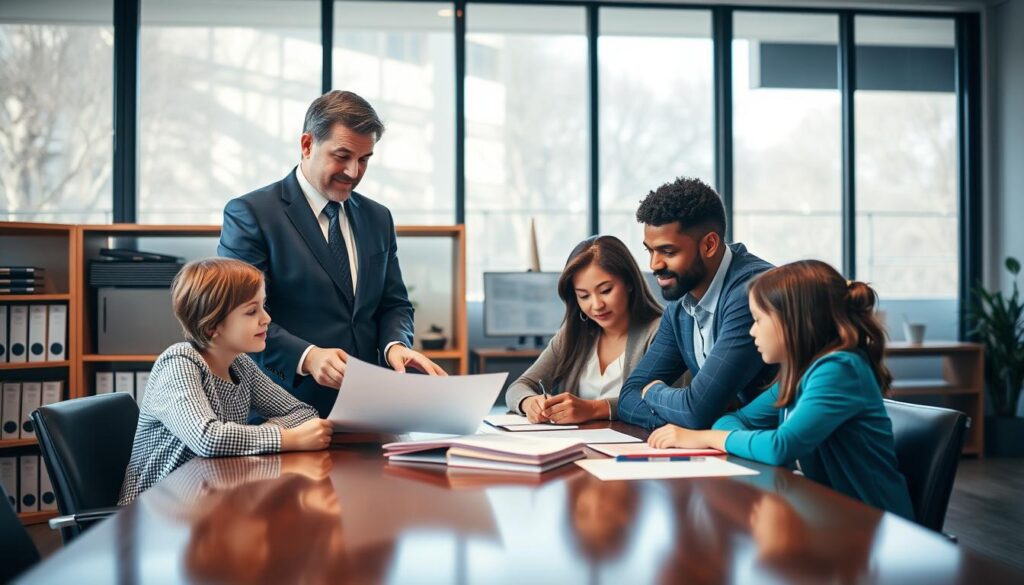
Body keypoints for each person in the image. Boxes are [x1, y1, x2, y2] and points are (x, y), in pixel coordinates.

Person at [218, 90, 444, 418]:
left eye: (364, 159)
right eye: (342, 156)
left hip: (372, 412)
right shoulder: (251, 214)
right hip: (283, 414)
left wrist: (396, 345)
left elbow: (393, 303)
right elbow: (238, 315)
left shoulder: (378, 218)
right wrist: (307, 357)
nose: (354, 171)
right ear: (307, 145)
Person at [646, 260, 914, 519]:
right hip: (830, 516)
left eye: (758, 320)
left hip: (876, 528)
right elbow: (736, 420)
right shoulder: (799, 374)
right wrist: (724, 433)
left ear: (793, 321)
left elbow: (780, 447)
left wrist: (702, 438)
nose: (752, 331)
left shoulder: (839, 369)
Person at [118, 258, 332, 505]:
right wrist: (288, 438)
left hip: (210, 502)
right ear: (212, 327)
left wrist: (255, 434)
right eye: (251, 311)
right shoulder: (179, 363)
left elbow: (303, 412)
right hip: (156, 516)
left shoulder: (241, 365)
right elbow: (208, 438)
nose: (266, 319)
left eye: (263, 306)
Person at [617, 177, 776, 430]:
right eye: (650, 251)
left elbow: (696, 410)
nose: (654, 265)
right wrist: (686, 420)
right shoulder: (681, 308)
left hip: (786, 458)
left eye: (668, 252)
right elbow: (628, 398)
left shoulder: (753, 293)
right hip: (728, 448)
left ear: (709, 245)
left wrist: (655, 391)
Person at [504, 235, 665, 423]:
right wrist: (529, 402)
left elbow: (663, 403)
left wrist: (594, 409)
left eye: (606, 291)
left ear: (629, 282)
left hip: (637, 443)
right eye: (584, 296)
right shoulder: (573, 332)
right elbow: (520, 386)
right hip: (577, 445)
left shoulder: (660, 332)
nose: (596, 305)